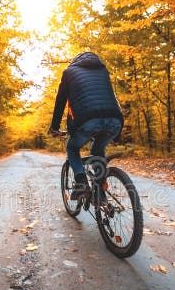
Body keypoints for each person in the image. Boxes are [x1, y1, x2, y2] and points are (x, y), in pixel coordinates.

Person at [48, 51, 124, 199]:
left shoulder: (69, 72)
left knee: (72, 147)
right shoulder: (103, 71)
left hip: (87, 120)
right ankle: (100, 190)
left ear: (75, 61)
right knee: (98, 148)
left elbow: (61, 101)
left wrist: (55, 127)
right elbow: (109, 98)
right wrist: (117, 134)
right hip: (115, 119)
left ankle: (81, 182)